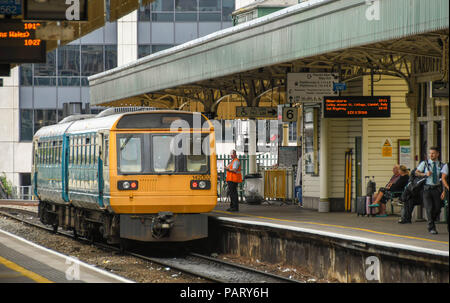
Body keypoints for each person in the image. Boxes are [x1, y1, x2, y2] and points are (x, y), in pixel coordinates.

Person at [415, 147, 444, 234]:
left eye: (433, 153)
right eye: (430, 153)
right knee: (429, 208)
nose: (431, 155)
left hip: (437, 189)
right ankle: (431, 227)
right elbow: (416, 172)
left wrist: (444, 190)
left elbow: (444, 178)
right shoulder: (425, 163)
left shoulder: (441, 165)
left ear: (437, 154)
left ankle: (431, 221)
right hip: (427, 189)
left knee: (438, 208)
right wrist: (425, 174)